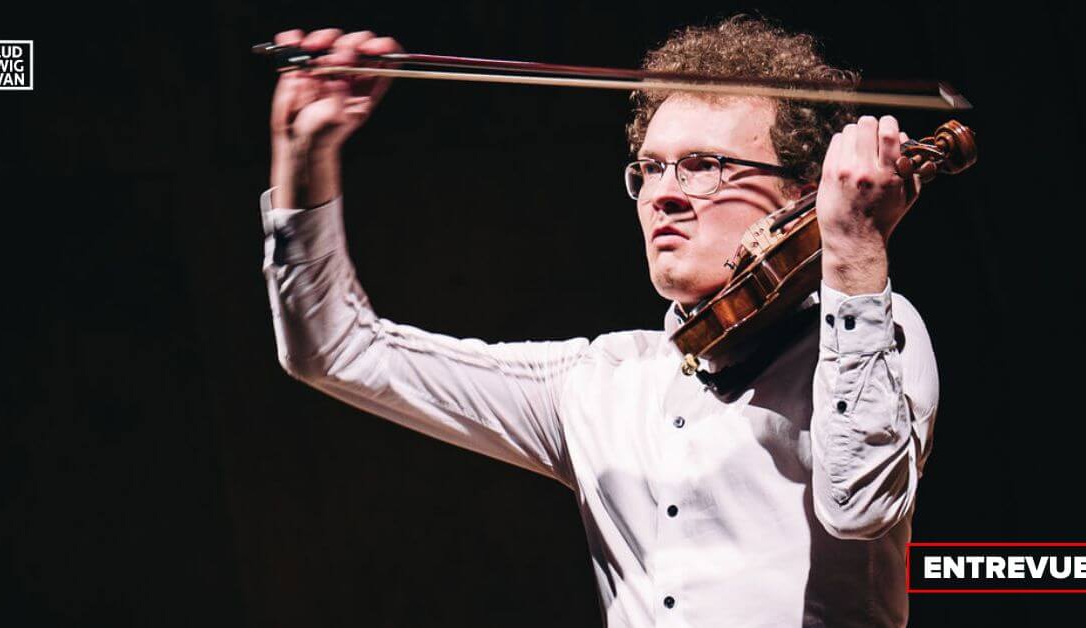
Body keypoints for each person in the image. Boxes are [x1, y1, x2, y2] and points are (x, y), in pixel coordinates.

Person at [258, 16, 938, 628]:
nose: (665, 193)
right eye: (650, 168)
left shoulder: (874, 330)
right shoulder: (602, 382)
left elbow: (860, 508)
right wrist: (302, 155)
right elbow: (337, 350)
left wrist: (852, 255)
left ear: (799, 194)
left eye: (705, 167)